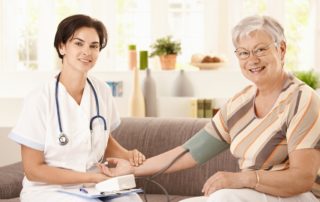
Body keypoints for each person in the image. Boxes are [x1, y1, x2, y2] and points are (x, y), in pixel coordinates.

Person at [102, 15, 320, 202]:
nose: (252, 59)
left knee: (223, 198)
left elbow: (302, 178)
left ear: (281, 49)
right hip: (252, 194)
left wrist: (240, 179)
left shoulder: (303, 100)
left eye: (260, 50)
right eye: (243, 53)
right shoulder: (240, 103)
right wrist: (133, 170)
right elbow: (190, 151)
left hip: (300, 196)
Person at [8, 14, 145, 202]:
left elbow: (103, 137)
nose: (87, 52)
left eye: (94, 46)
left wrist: (129, 155)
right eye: (78, 44)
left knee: (132, 200)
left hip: (95, 186)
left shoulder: (102, 91)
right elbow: (33, 170)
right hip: (50, 190)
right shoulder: (39, 98)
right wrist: (92, 177)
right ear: (62, 46)